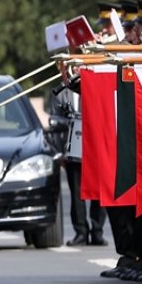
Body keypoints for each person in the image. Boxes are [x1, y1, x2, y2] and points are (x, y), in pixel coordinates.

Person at [48, 65, 106, 247]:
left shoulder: (98, 85)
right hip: (72, 148)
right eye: (67, 69)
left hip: (96, 146)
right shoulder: (60, 92)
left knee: (99, 191)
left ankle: (98, 231)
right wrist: (60, 150)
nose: (72, 71)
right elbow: (55, 122)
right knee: (77, 193)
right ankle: (81, 231)